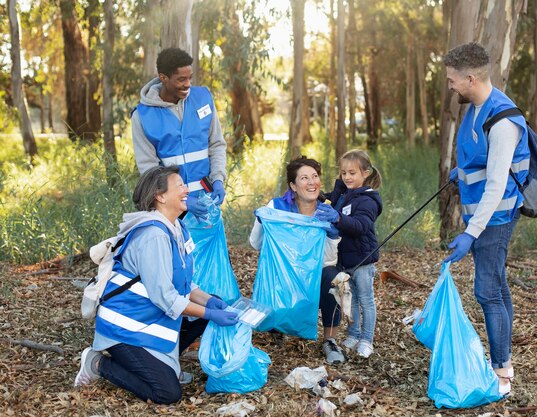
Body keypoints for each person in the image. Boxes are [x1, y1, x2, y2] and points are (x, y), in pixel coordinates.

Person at [74, 166, 238, 404]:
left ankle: (165, 364)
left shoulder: (177, 227)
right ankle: (97, 363)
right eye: (180, 185)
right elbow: (167, 299)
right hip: (125, 329)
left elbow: (184, 283)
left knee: (206, 308)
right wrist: (210, 312)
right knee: (167, 393)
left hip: (150, 319)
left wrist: (210, 302)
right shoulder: (153, 235)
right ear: (160, 197)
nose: (187, 190)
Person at [443, 42, 531, 396]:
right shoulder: (476, 107)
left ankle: (502, 374)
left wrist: (470, 234)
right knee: (496, 286)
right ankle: (504, 361)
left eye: (452, 80)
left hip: (495, 217)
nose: (449, 86)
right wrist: (460, 171)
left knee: (487, 292)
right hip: (482, 214)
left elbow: (495, 187)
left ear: (470, 78)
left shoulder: (503, 121)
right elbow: (480, 161)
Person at [249, 156, 346, 364]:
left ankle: (330, 341)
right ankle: (277, 323)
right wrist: (262, 221)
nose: (312, 183)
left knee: (334, 277)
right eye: (304, 178)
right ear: (293, 185)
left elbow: (328, 260)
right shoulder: (276, 207)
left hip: (311, 277)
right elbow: (256, 244)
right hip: (282, 278)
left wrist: (331, 233)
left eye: (315, 176)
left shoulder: (326, 212)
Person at [131, 47, 227, 220]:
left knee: (209, 247)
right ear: (163, 78)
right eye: (181, 79)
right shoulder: (142, 116)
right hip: (170, 210)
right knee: (178, 247)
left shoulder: (204, 99)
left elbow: (216, 144)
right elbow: (149, 169)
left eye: (190, 78)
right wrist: (179, 198)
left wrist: (218, 179)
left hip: (207, 201)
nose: (188, 84)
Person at [315, 150, 383, 359]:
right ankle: (353, 334)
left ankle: (367, 339)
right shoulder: (344, 193)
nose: (347, 177)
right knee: (351, 298)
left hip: (362, 258)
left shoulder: (368, 200)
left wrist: (337, 218)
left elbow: (361, 226)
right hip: (345, 258)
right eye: (343, 172)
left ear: (366, 173)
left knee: (366, 299)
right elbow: (328, 199)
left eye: (352, 172)